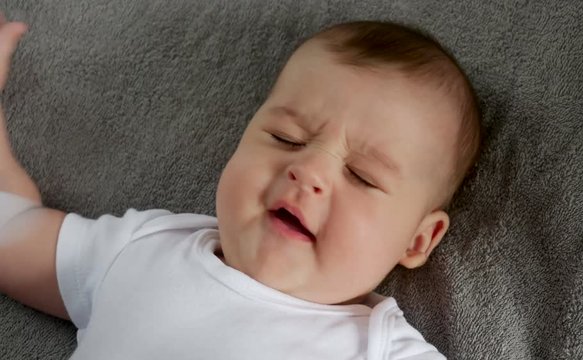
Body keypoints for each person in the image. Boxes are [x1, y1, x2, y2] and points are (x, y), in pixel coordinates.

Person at [0, 12, 480, 360]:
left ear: (418, 239)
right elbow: (13, 229)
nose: (309, 171)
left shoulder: (380, 350)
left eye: (361, 176)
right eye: (285, 138)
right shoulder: (146, 247)